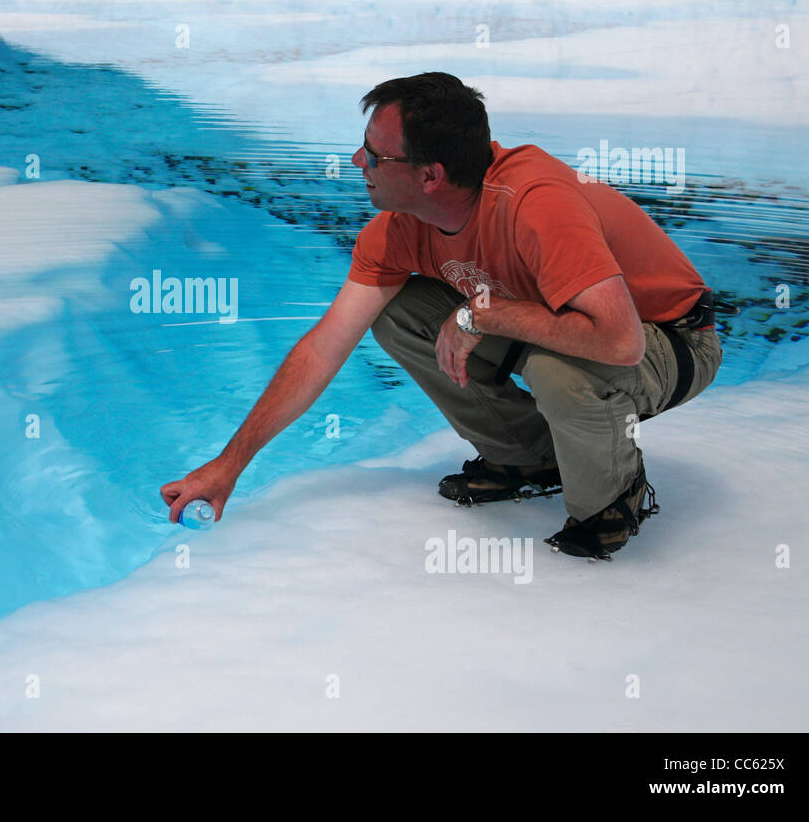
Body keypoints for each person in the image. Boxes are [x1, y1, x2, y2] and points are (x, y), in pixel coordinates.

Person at [160, 72, 723, 560]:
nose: (359, 162)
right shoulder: (400, 228)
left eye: (375, 155)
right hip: (560, 327)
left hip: (670, 340)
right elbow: (323, 347)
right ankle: (531, 460)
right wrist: (229, 463)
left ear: (430, 176)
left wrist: (483, 314)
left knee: (560, 372)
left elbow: (620, 343)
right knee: (399, 313)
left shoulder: (536, 205)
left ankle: (613, 499)